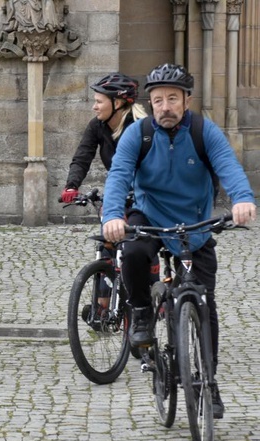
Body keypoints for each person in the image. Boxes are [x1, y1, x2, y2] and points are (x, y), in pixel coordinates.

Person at [101, 63, 257, 419]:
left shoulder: (205, 131)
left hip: (196, 223)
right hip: (151, 215)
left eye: (173, 99)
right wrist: (112, 216)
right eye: (158, 100)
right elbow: (120, 175)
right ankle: (141, 312)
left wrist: (243, 199)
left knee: (205, 302)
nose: (165, 106)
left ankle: (209, 381)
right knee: (134, 252)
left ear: (186, 100)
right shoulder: (137, 135)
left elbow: (227, 166)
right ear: (150, 103)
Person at [60, 72, 147, 203]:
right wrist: (72, 186)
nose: (94, 107)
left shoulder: (141, 128)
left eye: (99, 102)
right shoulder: (97, 125)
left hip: (146, 194)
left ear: (116, 103)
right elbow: (82, 158)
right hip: (118, 191)